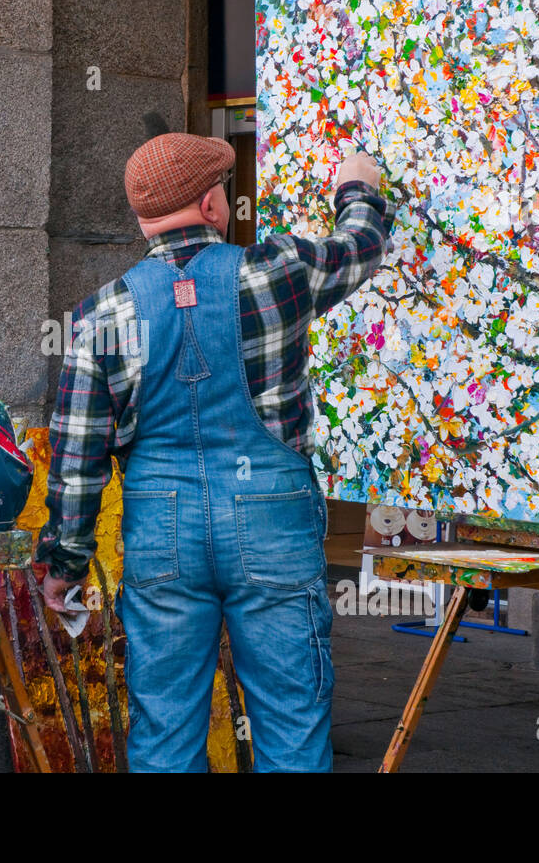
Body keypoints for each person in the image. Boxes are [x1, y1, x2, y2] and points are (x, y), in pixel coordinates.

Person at [37, 132, 395, 771]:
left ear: (143, 220)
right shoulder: (278, 272)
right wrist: (357, 187)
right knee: (292, 719)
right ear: (210, 206)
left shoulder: (100, 318)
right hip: (271, 521)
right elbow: (359, 248)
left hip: (162, 532)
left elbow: (76, 456)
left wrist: (65, 561)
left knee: (165, 732)